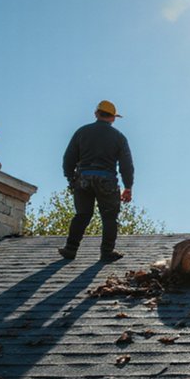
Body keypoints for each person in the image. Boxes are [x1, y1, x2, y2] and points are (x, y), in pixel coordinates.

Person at [60, 100, 134, 262]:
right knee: (109, 217)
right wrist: (128, 186)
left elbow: (68, 158)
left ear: (96, 114)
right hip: (106, 180)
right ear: (113, 118)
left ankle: (70, 249)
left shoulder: (82, 132)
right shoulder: (119, 137)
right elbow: (126, 165)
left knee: (82, 215)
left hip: (83, 179)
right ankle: (106, 252)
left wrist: (71, 178)